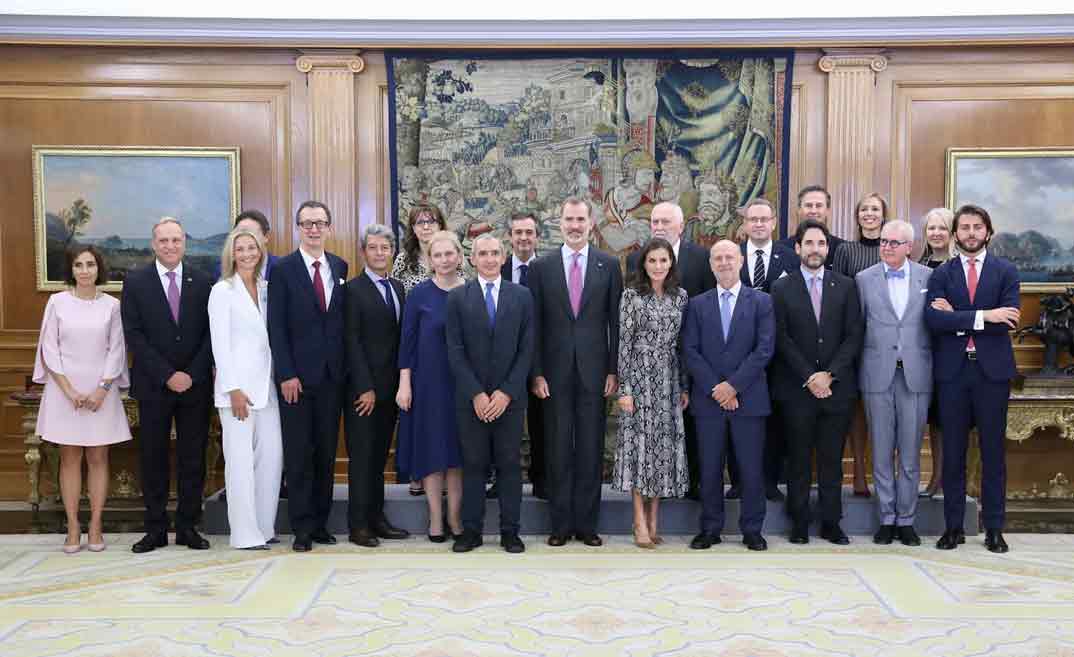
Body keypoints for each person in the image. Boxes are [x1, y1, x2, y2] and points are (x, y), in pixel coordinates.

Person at [529, 196, 623, 547]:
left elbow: (617, 323)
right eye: (568, 219)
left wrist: (614, 369)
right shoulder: (541, 268)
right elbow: (534, 326)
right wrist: (536, 372)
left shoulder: (608, 265)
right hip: (552, 376)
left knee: (589, 449)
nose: (574, 226)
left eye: (580, 220)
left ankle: (586, 524)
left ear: (591, 222)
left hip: (595, 373)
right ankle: (560, 524)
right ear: (559, 221)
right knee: (556, 449)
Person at [926, 204, 1019, 554]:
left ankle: (994, 528)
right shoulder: (942, 275)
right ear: (955, 234)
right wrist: (985, 315)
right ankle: (954, 528)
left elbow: (1008, 319)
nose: (970, 233)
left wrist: (961, 317)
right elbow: (934, 321)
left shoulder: (1005, 271)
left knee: (993, 453)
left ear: (988, 233)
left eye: (977, 227)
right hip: (952, 373)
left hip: (992, 374)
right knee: (953, 454)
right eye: (964, 227)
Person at [121, 217, 213, 553]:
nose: (170, 246)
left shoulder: (203, 281)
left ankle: (189, 527)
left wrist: (191, 373)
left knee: (193, 458)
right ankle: (155, 529)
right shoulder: (135, 281)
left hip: (195, 385)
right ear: (153, 243)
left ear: (185, 242)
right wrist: (167, 374)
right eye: (164, 241)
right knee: (153, 457)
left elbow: (210, 335)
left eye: (176, 240)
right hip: (154, 386)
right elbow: (134, 335)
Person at [770, 219, 864, 545]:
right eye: (809, 243)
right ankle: (798, 521)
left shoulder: (847, 286)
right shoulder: (781, 288)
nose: (815, 249)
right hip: (797, 389)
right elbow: (781, 338)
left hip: (836, 390)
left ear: (828, 248)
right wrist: (810, 376)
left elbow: (854, 336)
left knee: (830, 460)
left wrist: (829, 374)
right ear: (797, 248)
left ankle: (830, 522)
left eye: (821, 244)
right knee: (798, 459)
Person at [34, 245, 131, 553]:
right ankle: (73, 525)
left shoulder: (111, 306)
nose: (85, 270)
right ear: (72, 270)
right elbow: (50, 349)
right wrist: (69, 391)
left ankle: (96, 524)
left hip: (101, 391)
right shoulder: (57, 302)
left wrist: (102, 389)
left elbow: (117, 349)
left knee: (98, 458)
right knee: (69, 458)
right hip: (65, 392)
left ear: (98, 268)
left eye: (90, 264)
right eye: (79, 265)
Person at [267, 201, 348, 552]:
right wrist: (286, 373)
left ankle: (319, 524)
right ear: (298, 228)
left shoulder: (339, 266)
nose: (314, 229)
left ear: (329, 227)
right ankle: (301, 527)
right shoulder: (283, 270)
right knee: (299, 456)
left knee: (326, 454)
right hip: (296, 381)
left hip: (332, 379)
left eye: (320, 223)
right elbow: (277, 327)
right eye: (307, 224)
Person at [683, 240, 775, 551]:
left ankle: (752, 529)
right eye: (718, 258)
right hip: (708, 401)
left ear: (741, 262)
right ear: (711, 265)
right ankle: (710, 528)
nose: (724, 263)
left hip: (748, 399)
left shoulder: (761, 302)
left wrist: (733, 386)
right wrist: (717, 389)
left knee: (750, 469)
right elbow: (690, 351)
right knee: (709, 469)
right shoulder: (696, 304)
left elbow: (764, 350)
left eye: (730, 257)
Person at [445, 234, 534, 553]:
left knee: (510, 464)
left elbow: (527, 350)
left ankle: (511, 531)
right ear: (472, 258)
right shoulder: (457, 298)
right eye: (482, 253)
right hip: (472, 401)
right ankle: (471, 531)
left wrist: (506, 393)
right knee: (473, 464)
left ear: (504, 256)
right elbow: (454, 351)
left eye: (495, 253)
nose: (489, 259)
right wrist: (477, 395)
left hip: (509, 400)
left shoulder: (522, 296)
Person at [626, 202, 715, 501]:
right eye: (655, 221)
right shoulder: (635, 260)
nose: (659, 226)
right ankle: (655, 490)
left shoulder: (702, 258)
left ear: (681, 226)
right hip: (645, 367)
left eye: (666, 221)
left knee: (686, 426)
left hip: (690, 358)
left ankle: (688, 486)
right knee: (649, 432)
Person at [855, 220, 933, 547]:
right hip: (877, 373)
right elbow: (857, 328)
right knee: (883, 450)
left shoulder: (930, 278)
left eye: (894, 242)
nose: (886, 247)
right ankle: (886, 518)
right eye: (884, 241)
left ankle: (907, 520)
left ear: (909, 247)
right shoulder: (863, 280)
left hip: (916, 374)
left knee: (911, 452)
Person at [208, 228, 282, 550]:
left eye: (252, 248)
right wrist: (233, 389)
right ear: (232, 254)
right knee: (239, 464)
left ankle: (264, 529)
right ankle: (245, 534)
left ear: (261, 251)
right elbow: (219, 345)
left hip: (267, 387)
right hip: (237, 392)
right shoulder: (222, 291)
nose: (248, 254)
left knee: (271, 460)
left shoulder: (267, 289)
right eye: (241, 249)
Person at [614, 238, 690, 548]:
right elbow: (625, 344)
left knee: (662, 452)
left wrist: (683, 385)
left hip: (668, 381)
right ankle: (638, 521)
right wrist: (625, 390)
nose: (658, 266)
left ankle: (655, 519)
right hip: (639, 380)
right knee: (639, 451)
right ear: (643, 265)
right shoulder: (632, 296)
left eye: (663, 260)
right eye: (652, 261)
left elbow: (683, 345)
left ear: (671, 263)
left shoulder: (681, 297)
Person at [342, 224, 410, 548]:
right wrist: (364, 387)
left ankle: (377, 519)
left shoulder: (397, 287)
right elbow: (351, 342)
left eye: (385, 247)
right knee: (362, 459)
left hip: (391, 391)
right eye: (373, 247)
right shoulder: (352, 290)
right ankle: (358, 526)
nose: (380, 253)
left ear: (392, 251)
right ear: (363, 252)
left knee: (380, 458)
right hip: (364, 393)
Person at [396, 230, 466, 542]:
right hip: (427, 384)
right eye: (437, 255)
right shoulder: (419, 295)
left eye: (449, 254)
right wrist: (404, 384)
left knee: (457, 455)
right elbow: (406, 343)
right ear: (430, 260)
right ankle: (436, 517)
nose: (443, 260)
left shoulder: (472, 291)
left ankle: (455, 516)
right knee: (432, 452)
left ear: (459, 256)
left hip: (464, 386)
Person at [736, 197, 799, 502]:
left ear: (774, 223)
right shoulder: (729, 256)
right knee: (736, 416)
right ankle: (737, 481)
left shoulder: (790, 258)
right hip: (737, 353)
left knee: (774, 418)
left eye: (764, 219)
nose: (758, 224)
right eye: (753, 219)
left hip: (778, 354)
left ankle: (771, 480)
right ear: (745, 224)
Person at [391, 202, 456, 496]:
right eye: (419, 222)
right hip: (416, 344)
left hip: (448, 352)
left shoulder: (456, 264)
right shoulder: (403, 261)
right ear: (412, 228)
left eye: (431, 221)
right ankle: (418, 475)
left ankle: (445, 477)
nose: (426, 226)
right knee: (418, 418)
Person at [831, 193, 889, 498]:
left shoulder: (892, 249)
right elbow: (837, 294)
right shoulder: (845, 250)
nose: (869, 214)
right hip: (852, 339)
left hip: (885, 341)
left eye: (875, 209)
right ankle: (857, 477)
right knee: (853, 409)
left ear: (883, 215)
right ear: (857, 216)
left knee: (879, 411)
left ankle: (879, 474)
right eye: (864, 209)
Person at [499, 212, 545, 500]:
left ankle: (542, 481)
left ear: (537, 236)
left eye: (529, 232)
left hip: (541, 362)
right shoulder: (497, 268)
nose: (524, 238)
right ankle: (501, 483)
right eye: (518, 232)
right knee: (504, 428)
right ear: (510, 237)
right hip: (504, 363)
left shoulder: (549, 269)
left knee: (543, 424)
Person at [918, 207, 955, 498]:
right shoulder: (919, 263)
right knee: (932, 418)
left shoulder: (958, 267)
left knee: (947, 419)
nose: (936, 233)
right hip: (921, 350)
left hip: (951, 352)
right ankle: (936, 477)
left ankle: (946, 478)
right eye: (931, 228)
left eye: (942, 228)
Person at [779, 185, 844, 269]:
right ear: (799, 210)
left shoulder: (841, 249)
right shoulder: (781, 248)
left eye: (819, 206)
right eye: (809, 206)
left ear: (828, 211)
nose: (813, 211)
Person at [210, 209, 279, 282]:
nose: (245, 238)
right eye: (241, 232)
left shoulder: (283, 268)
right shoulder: (221, 270)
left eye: (252, 234)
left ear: (266, 237)